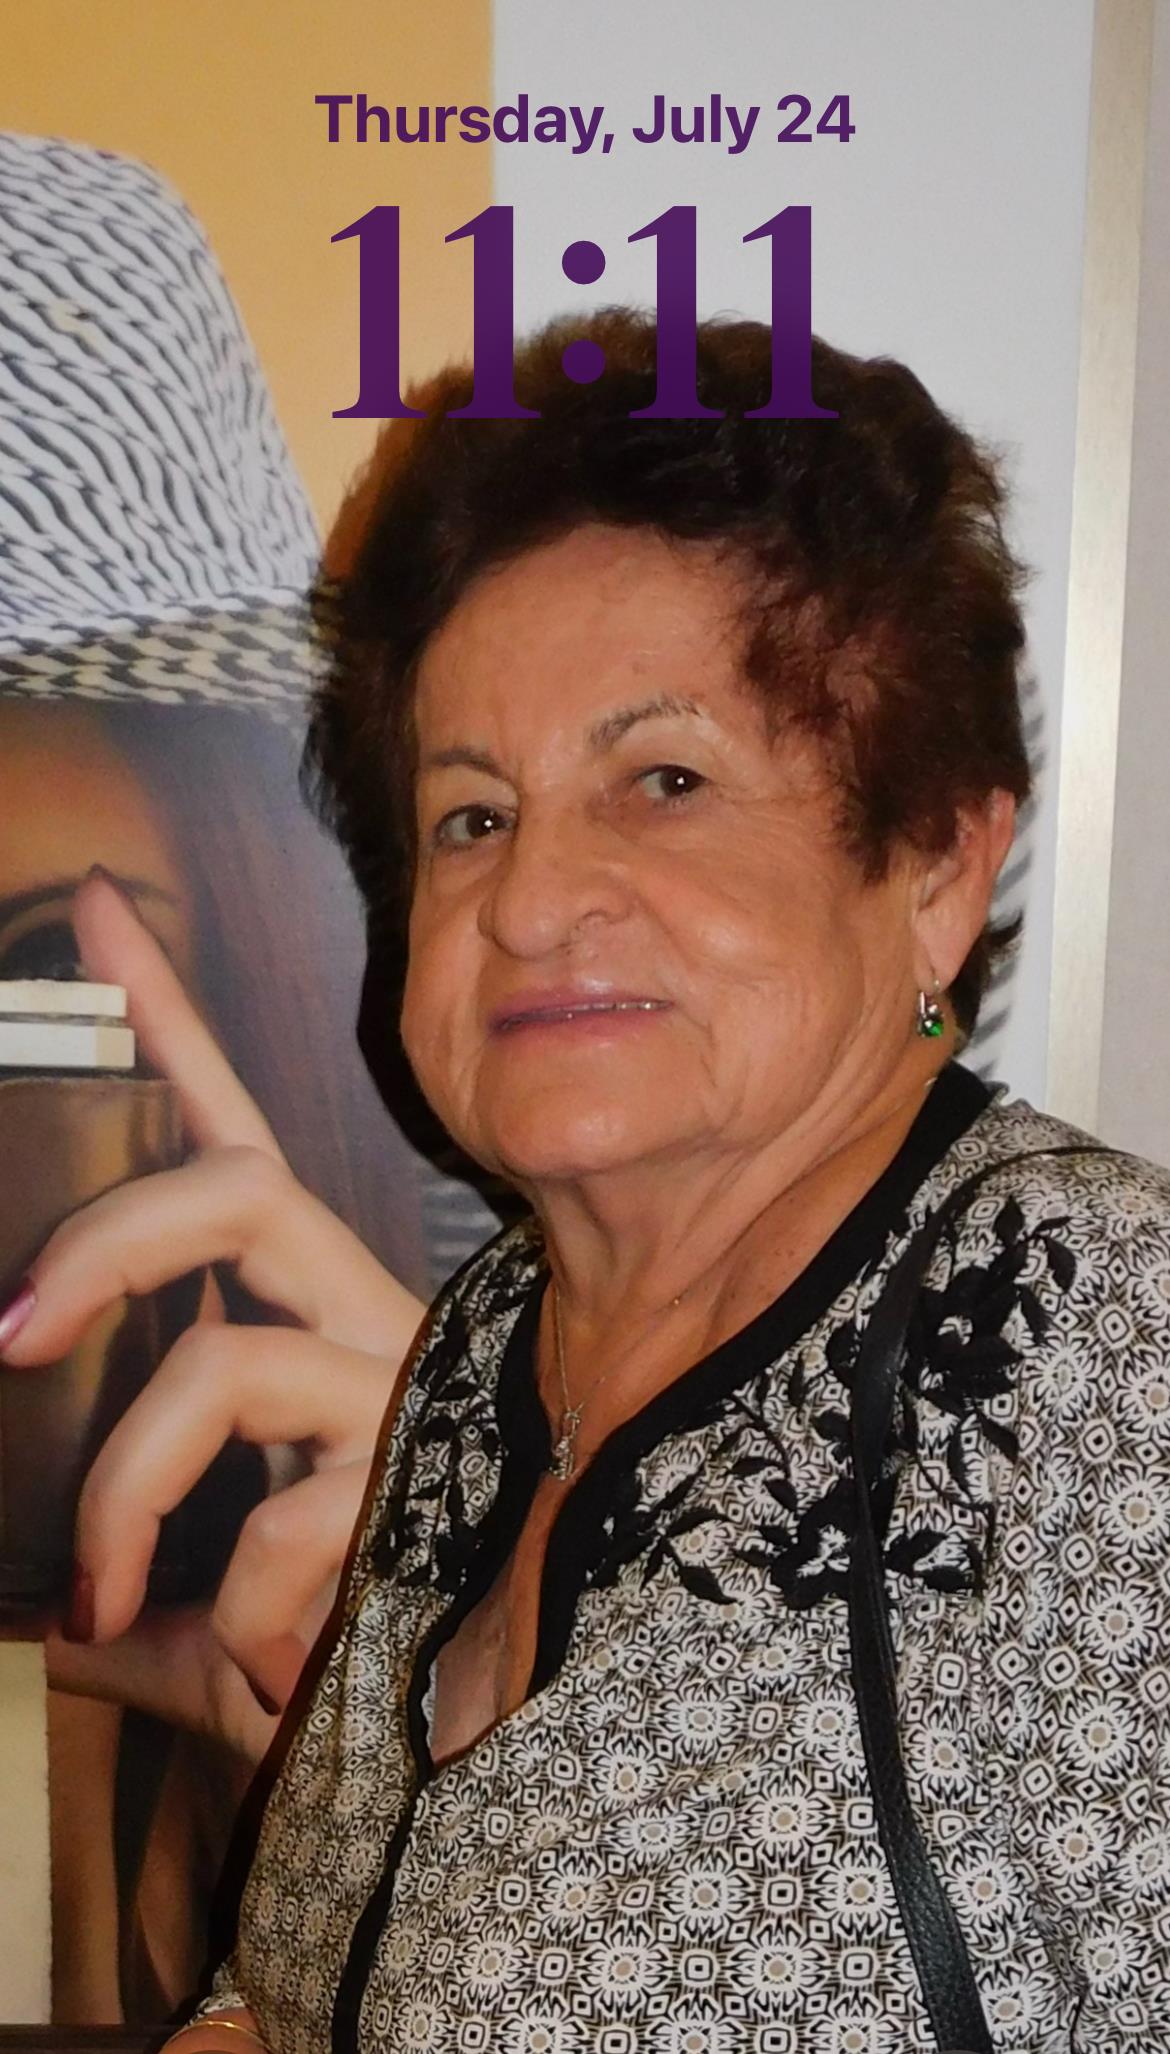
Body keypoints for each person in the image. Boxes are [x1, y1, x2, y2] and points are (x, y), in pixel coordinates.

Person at [5, 308, 1169, 2049]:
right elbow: (324, 1985)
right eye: (472, 815)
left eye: (664, 779)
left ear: (934, 865)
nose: (532, 899)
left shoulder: (1112, 1348)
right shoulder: (481, 1346)